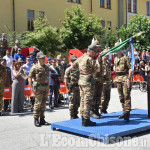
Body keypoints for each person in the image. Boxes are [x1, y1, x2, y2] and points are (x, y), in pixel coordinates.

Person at [71, 44, 101, 126]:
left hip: (81, 81)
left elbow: (72, 67)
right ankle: (86, 120)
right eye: (95, 52)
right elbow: (98, 69)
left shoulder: (80, 58)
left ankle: (83, 118)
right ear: (91, 51)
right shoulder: (89, 59)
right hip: (87, 83)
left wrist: (82, 71)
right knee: (87, 101)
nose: (96, 54)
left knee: (82, 100)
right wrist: (97, 61)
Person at [28, 51, 50, 127]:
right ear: (38, 59)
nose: (44, 59)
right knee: (38, 104)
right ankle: (36, 119)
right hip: (39, 88)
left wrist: (48, 87)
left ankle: (42, 119)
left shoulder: (46, 67)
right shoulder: (35, 67)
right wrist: (31, 88)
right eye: (42, 58)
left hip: (46, 87)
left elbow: (47, 78)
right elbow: (30, 78)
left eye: (44, 58)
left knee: (44, 104)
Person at [114, 42, 132, 121]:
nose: (116, 50)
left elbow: (130, 69)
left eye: (118, 48)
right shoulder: (115, 59)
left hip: (125, 78)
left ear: (120, 49)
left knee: (126, 95)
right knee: (121, 96)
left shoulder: (125, 58)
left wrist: (128, 79)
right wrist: (115, 79)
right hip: (118, 79)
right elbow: (115, 70)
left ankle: (127, 113)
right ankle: (124, 110)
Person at [64, 55, 80, 119]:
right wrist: (67, 89)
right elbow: (65, 80)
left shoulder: (78, 69)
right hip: (72, 88)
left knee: (77, 101)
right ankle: (72, 115)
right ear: (72, 61)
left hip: (78, 87)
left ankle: (76, 113)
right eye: (75, 60)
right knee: (72, 102)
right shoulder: (69, 70)